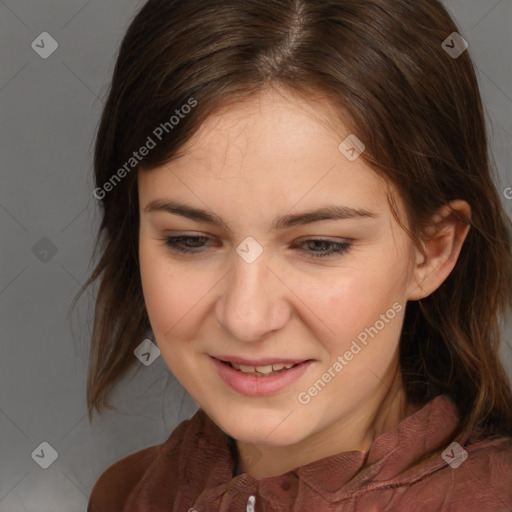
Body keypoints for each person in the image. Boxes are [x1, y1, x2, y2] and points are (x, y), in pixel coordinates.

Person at [83, 0, 512, 510]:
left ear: (433, 250)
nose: (246, 318)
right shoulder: (128, 493)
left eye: (319, 245)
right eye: (190, 240)